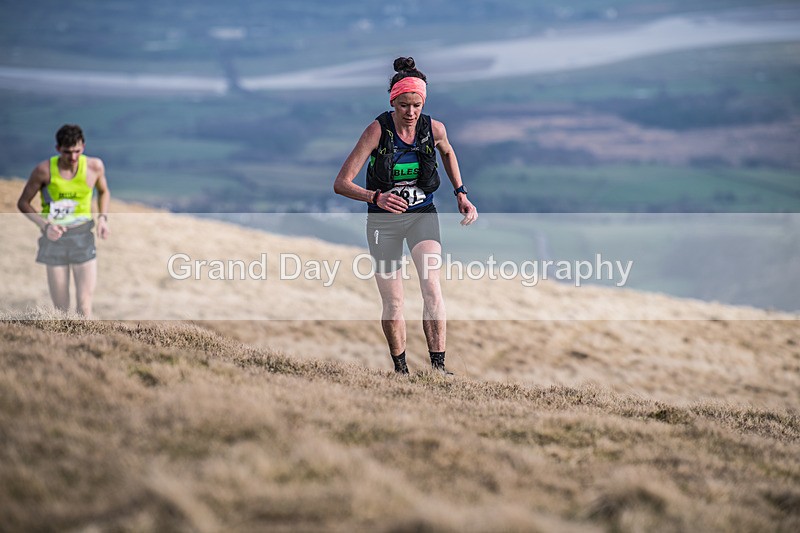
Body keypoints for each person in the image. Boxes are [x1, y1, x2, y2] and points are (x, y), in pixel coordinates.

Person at [334, 57, 478, 375]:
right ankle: (401, 370)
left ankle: (438, 367)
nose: (410, 113)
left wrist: (461, 193)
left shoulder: (433, 128)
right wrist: (376, 196)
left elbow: (448, 151)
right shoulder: (376, 131)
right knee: (395, 302)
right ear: (393, 103)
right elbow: (341, 184)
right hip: (382, 221)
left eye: (416, 105)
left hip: (422, 214)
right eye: (403, 105)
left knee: (431, 287)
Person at [17, 124, 111, 318]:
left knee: (84, 306)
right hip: (54, 241)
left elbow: (103, 191)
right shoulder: (43, 171)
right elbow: (23, 203)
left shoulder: (94, 167)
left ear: (83, 147)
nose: (73, 157)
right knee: (61, 309)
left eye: (77, 151)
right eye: (68, 152)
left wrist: (103, 218)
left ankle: (84, 345)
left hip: (83, 237)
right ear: (58, 149)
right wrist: (45, 226)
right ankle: (64, 347)